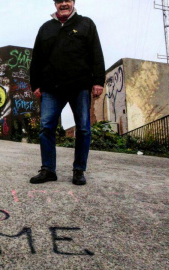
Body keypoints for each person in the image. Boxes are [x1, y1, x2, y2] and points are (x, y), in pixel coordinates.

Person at [29, 0, 105, 185]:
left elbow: (96, 52)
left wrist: (98, 81)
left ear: (73, 3)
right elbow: (37, 58)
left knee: (84, 128)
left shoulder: (86, 24)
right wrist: (36, 85)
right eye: (60, 1)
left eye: (67, 0)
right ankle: (48, 170)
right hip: (51, 87)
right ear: (55, 4)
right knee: (46, 127)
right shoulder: (45, 28)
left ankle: (79, 170)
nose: (64, 4)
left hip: (79, 85)